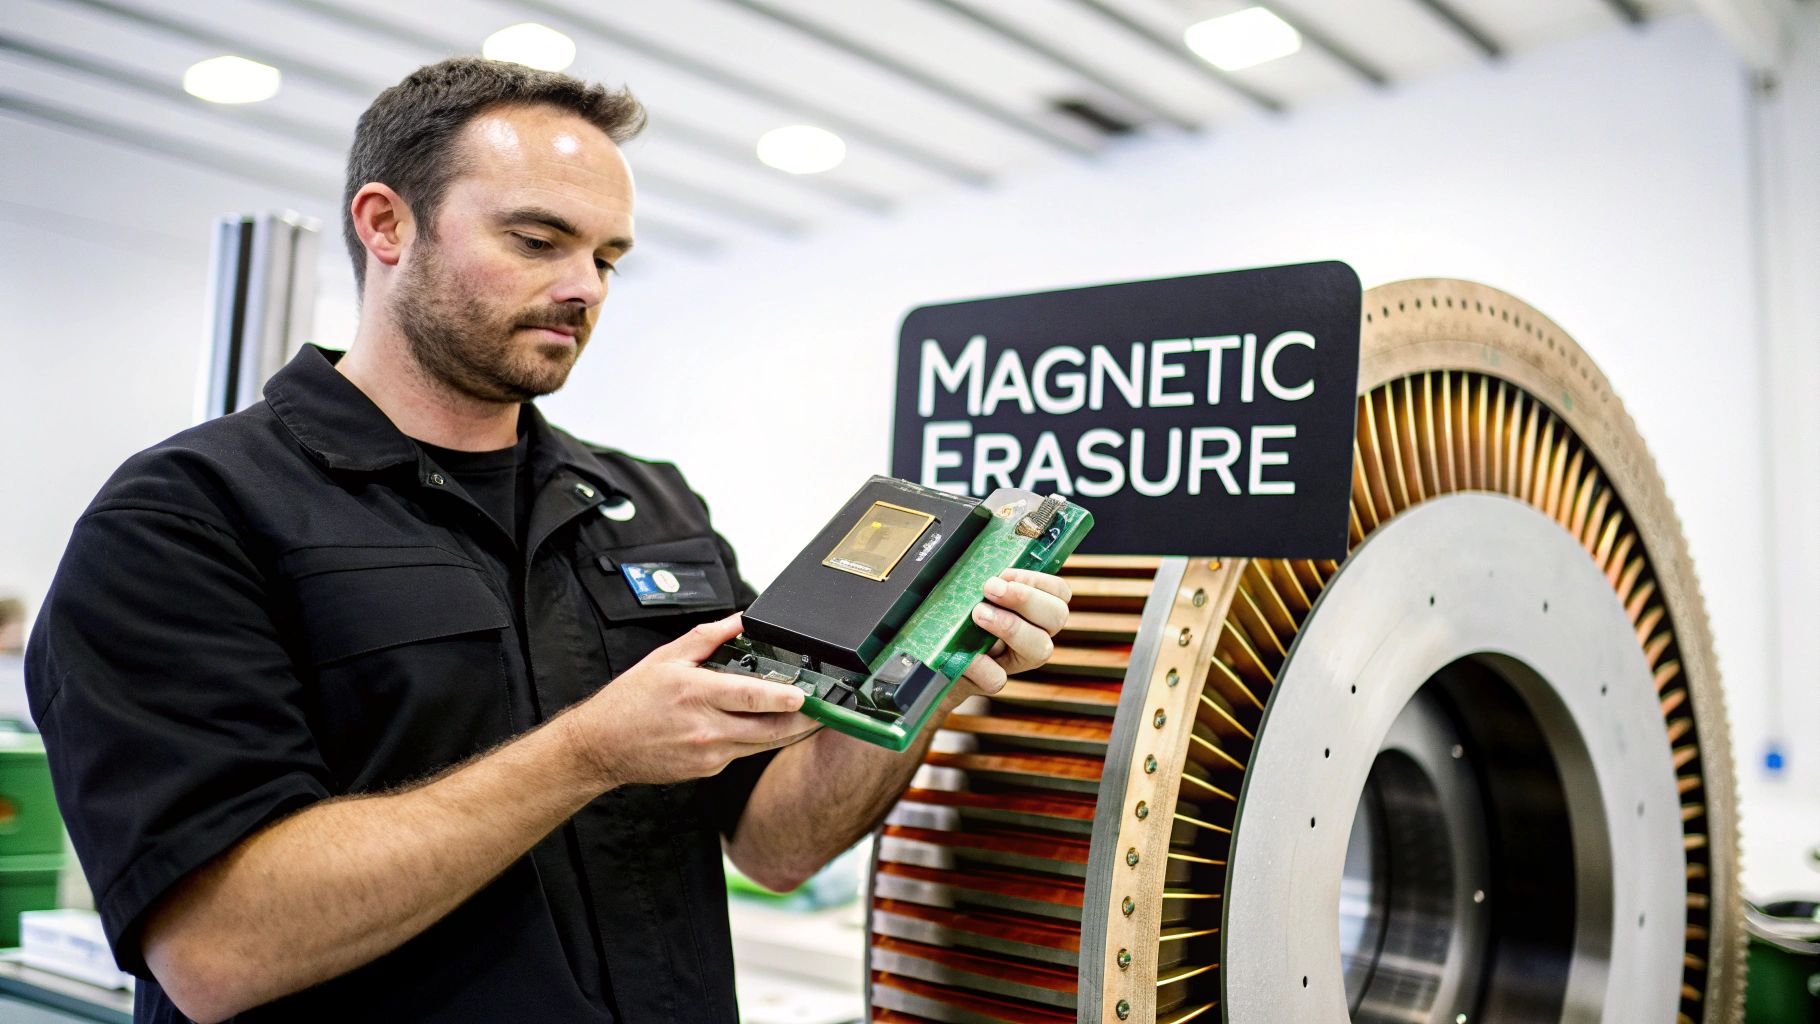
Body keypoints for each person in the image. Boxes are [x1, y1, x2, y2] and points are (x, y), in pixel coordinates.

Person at [25, 58, 1074, 1024]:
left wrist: (920, 668)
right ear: (387, 225)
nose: (586, 288)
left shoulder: (650, 503)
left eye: (608, 256)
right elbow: (217, 949)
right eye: (537, 241)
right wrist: (588, 750)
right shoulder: (186, 518)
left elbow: (776, 837)